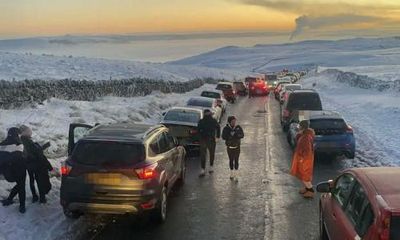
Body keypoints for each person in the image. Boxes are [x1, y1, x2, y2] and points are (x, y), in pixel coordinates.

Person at [20, 125, 53, 204]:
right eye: (29, 131)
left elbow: (33, 151)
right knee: (40, 181)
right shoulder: (27, 141)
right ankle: (42, 198)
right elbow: (37, 152)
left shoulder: (24, 140)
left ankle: (35, 196)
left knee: (32, 180)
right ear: (26, 133)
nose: (30, 133)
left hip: (29, 165)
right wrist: (45, 146)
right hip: (36, 165)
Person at [0, 128, 27, 213]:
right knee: (21, 185)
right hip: (19, 172)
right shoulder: (20, 145)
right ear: (17, 135)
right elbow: (26, 158)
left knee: (19, 184)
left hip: (7, 174)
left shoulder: (1, 145)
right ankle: (22, 206)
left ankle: (9, 199)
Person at [290, 120, 316, 199]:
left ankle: (311, 191)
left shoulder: (306, 137)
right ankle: (307, 188)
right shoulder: (305, 135)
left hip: (305, 160)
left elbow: (307, 150)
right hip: (303, 158)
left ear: (302, 127)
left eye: (299, 126)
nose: (298, 127)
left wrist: (301, 159)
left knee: (305, 176)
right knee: (302, 174)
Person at [197, 109, 220, 177]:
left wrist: (217, 136)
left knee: (210, 153)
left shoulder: (212, 121)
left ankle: (209, 167)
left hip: (210, 139)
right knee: (204, 154)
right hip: (205, 139)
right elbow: (198, 129)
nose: (207, 115)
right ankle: (205, 168)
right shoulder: (202, 121)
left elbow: (218, 127)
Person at [222, 116, 244, 181]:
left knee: (236, 160)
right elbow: (223, 137)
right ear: (229, 122)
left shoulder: (238, 127)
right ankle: (231, 173)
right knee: (231, 160)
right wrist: (229, 135)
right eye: (232, 121)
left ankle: (236, 175)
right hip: (229, 147)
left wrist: (236, 135)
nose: (234, 123)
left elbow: (242, 135)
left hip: (237, 147)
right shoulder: (226, 128)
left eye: (235, 121)